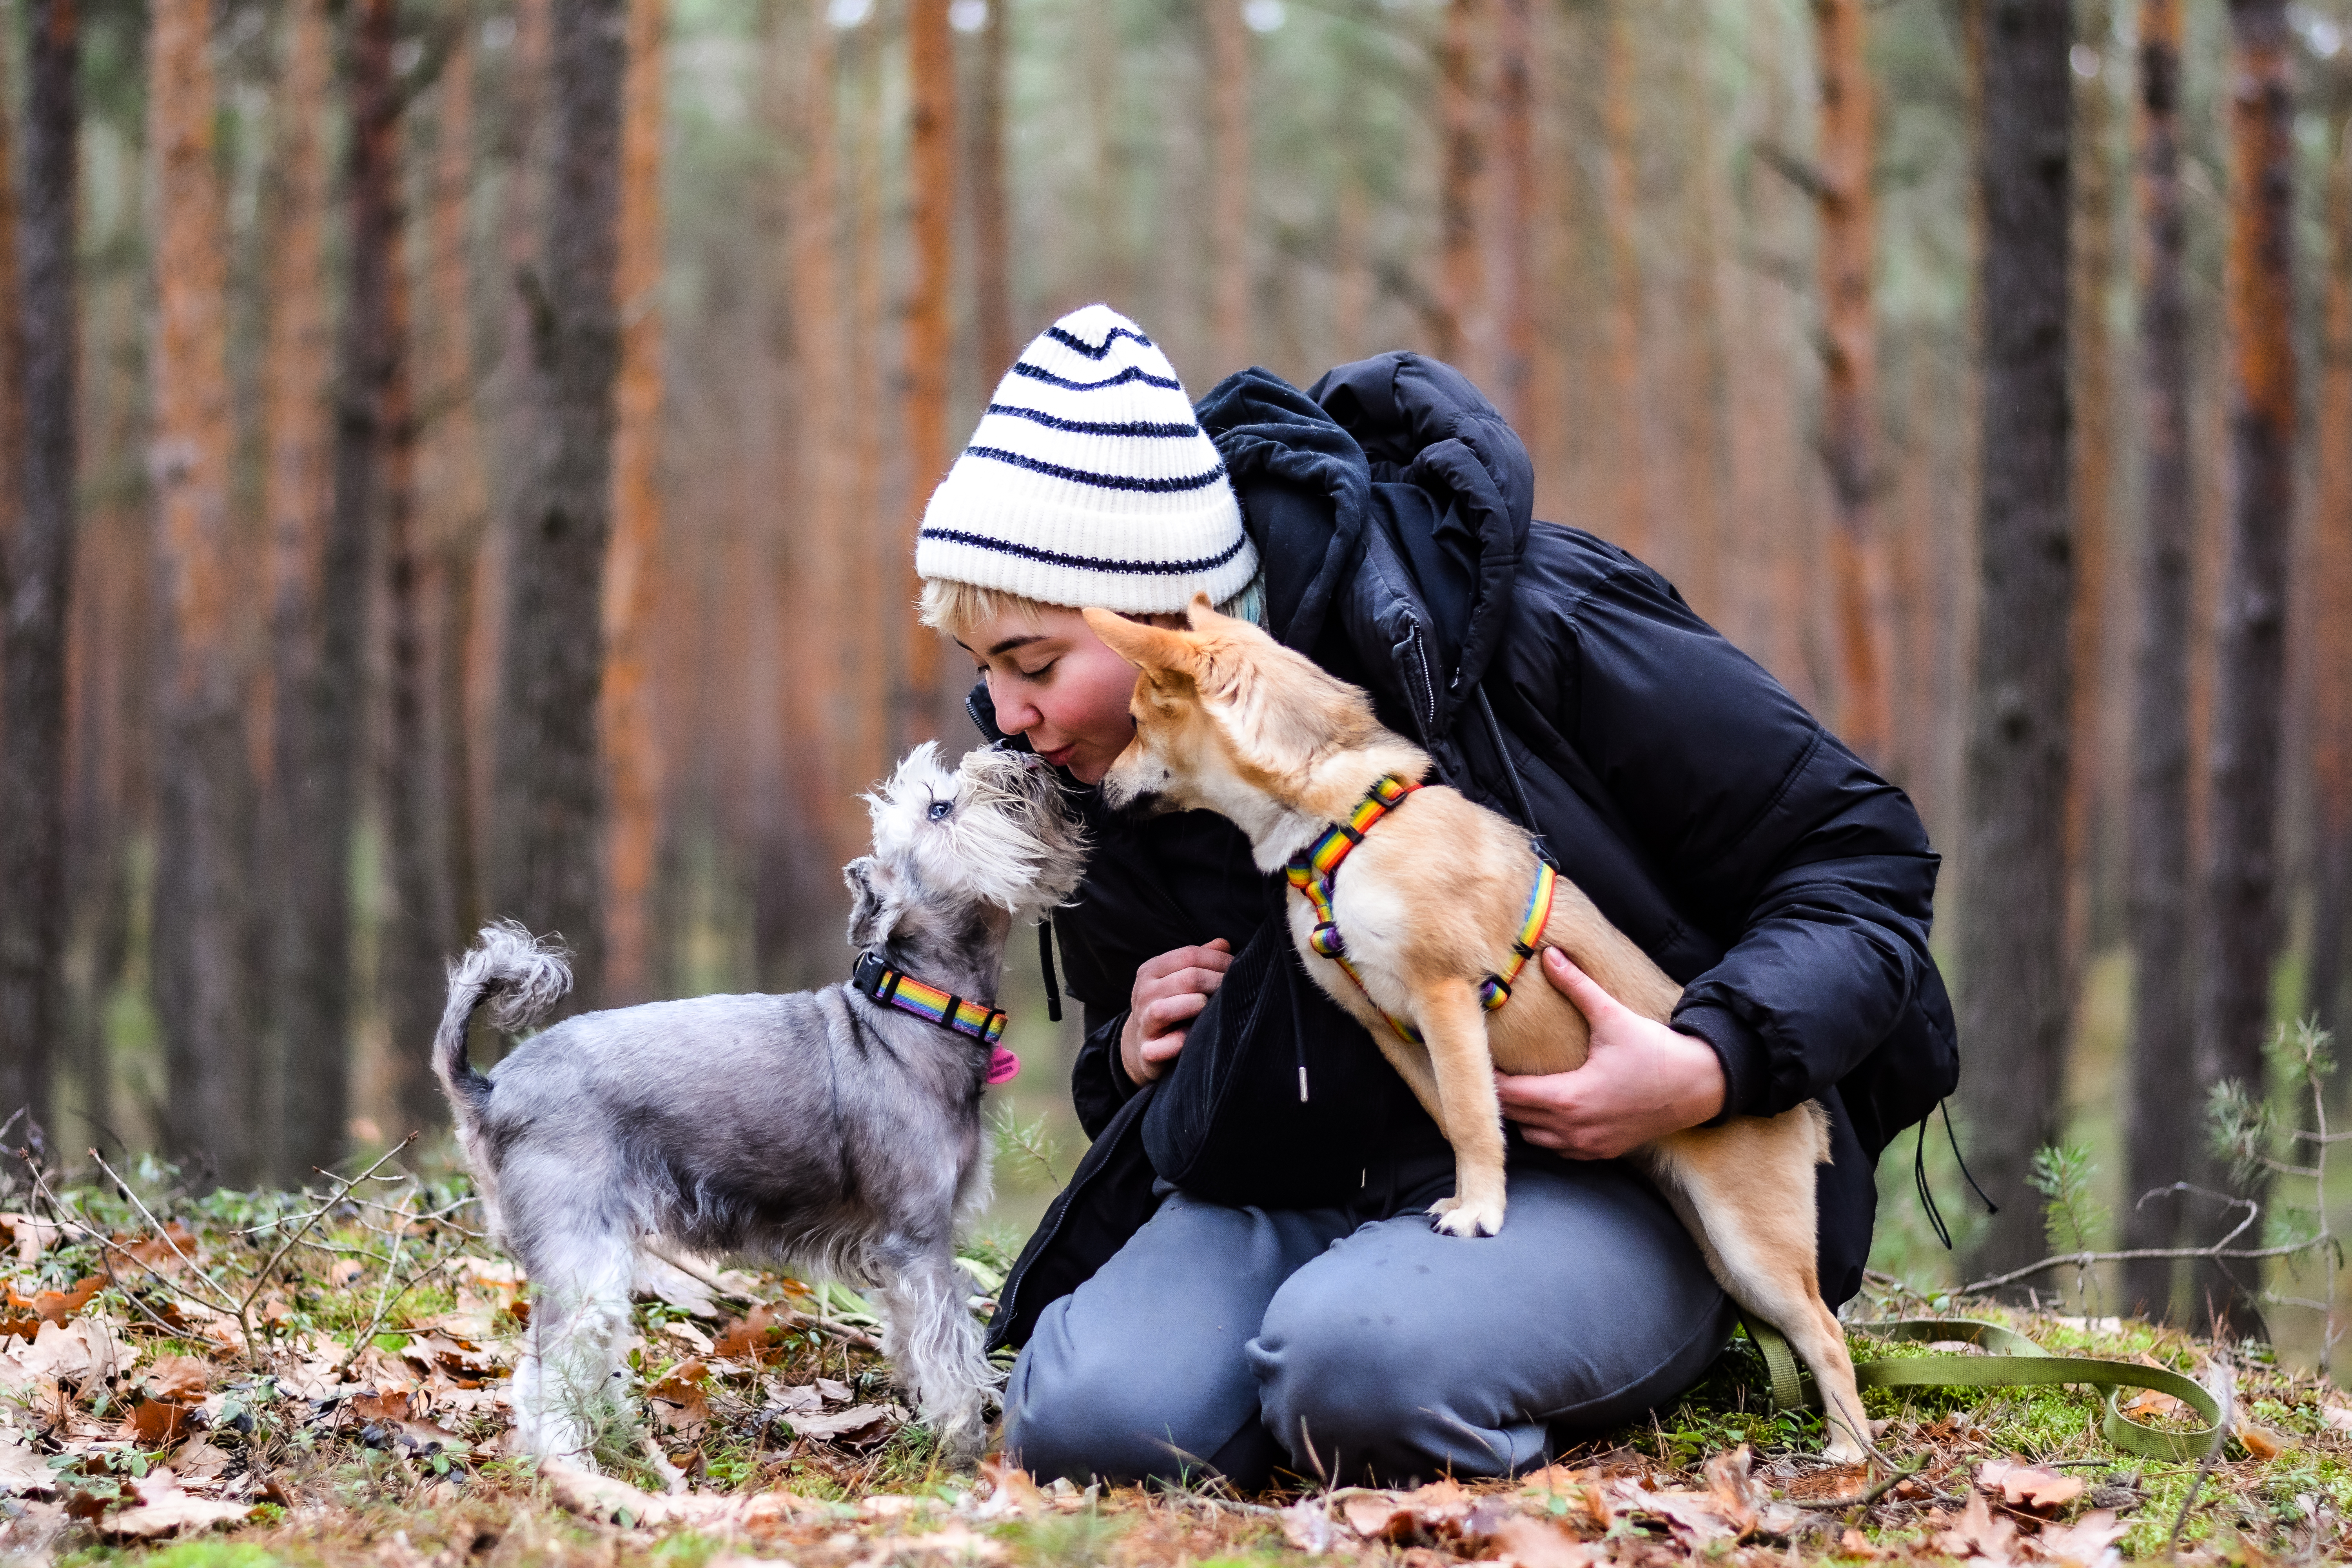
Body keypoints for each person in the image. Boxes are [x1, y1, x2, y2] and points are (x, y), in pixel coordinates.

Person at [911, 304, 1957, 1487]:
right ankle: (1358, 1335)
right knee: (1090, 1423)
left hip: (1614, 1177)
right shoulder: (1093, 763)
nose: (1003, 719)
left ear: (1156, 631)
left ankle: (1537, 1335)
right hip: (1294, 1190)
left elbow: (1861, 856)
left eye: (1035, 665)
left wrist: (1711, 1061)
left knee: (1360, 1374)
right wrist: (1136, 1056)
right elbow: (1142, 1085)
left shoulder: (1511, 615)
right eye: (983, 671)